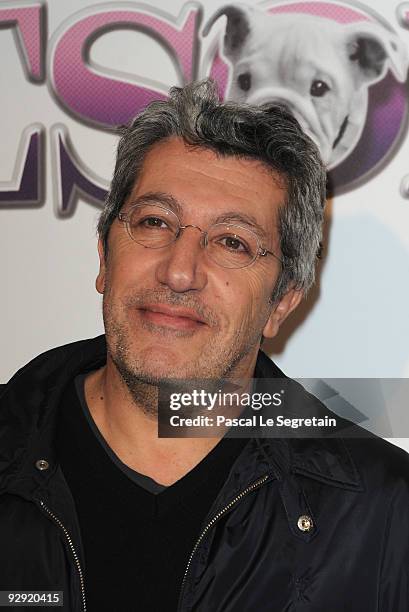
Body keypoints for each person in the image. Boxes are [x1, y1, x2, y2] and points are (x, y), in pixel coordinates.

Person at [0, 79, 408, 612]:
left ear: (282, 300)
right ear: (104, 255)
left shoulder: (385, 516)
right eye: (155, 222)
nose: (179, 271)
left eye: (232, 242)